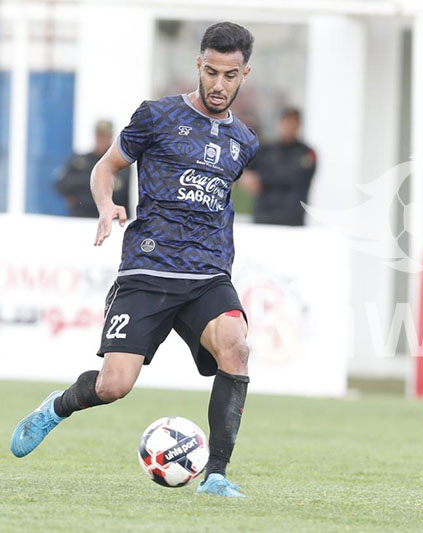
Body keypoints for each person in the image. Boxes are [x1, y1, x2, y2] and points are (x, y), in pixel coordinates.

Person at [10, 22, 259, 498]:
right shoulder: (157, 116)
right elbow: (107, 167)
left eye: (229, 75)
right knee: (114, 386)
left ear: (244, 72)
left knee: (237, 346)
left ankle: (218, 476)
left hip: (207, 275)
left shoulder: (245, 141)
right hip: (148, 270)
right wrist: (107, 206)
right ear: (198, 66)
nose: (219, 84)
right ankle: (57, 407)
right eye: (211, 72)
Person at [243, 107, 316, 225]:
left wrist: (263, 177)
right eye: (286, 122)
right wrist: (246, 177)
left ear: (298, 125)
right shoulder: (265, 150)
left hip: (292, 220)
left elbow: (293, 178)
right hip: (263, 218)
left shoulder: (306, 153)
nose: (289, 126)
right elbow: (245, 168)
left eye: (293, 122)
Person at [54, 120, 131, 218]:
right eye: (99, 135)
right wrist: (95, 182)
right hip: (80, 218)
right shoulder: (79, 160)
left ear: (111, 137)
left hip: (110, 221)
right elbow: (61, 184)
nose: (101, 140)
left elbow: (118, 193)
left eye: (105, 136)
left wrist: (81, 189)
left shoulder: (118, 162)